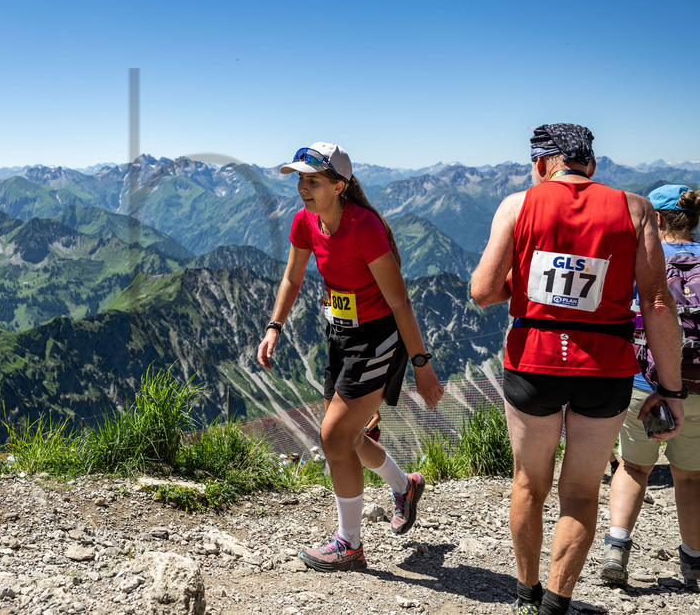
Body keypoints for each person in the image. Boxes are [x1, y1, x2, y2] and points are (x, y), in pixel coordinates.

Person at [470, 123, 685, 615]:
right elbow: (655, 302)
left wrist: (526, 284)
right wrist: (670, 390)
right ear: (590, 162)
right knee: (583, 491)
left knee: (529, 483)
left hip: (534, 362)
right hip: (605, 368)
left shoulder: (518, 205)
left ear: (544, 162)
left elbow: (482, 291)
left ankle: (525, 595)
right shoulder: (635, 208)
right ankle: (556, 605)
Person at [257, 142, 444, 572]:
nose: (303, 188)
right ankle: (405, 486)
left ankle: (350, 544)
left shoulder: (364, 228)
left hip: (378, 338)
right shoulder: (305, 222)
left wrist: (422, 366)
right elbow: (292, 276)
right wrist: (274, 327)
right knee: (349, 438)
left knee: (334, 438)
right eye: (301, 180)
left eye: (313, 180)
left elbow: (400, 303)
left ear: (339, 186)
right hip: (340, 334)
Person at [600, 184, 700, 590]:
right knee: (691, 477)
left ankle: (615, 551)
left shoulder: (643, 264)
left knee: (634, 466)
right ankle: (693, 562)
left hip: (646, 385)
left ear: (655, 220)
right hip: (699, 387)